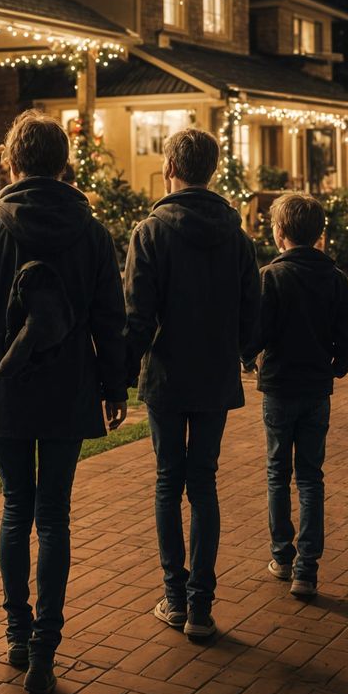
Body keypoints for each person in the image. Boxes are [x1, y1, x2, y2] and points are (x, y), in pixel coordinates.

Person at [0, 113, 129, 694]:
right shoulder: (92, 231)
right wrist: (114, 385)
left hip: (8, 387)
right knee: (53, 515)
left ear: (15, 164)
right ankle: (45, 646)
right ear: (63, 163)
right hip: (69, 386)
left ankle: (18, 633)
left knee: (15, 509)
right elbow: (110, 319)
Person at [124, 128, 259, 640]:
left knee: (167, 479)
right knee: (203, 481)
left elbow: (137, 315)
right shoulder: (236, 234)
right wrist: (247, 352)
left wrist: (117, 376)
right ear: (212, 171)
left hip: (167, 373)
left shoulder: (151, 232)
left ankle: (175, 597)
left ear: (169, 170)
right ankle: (200, 604)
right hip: (214, 372)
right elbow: (253, 307)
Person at [250, 191, 348, 601]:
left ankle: (282, 555)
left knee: (278, 472)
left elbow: (256, 332)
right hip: (316, 388)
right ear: (319, 234)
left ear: (279, 234)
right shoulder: (333, 278)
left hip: (279, 386)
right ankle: (307, 567)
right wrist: (337, 367)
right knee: (311, 477)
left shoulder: (271, 277)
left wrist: (250, 358)